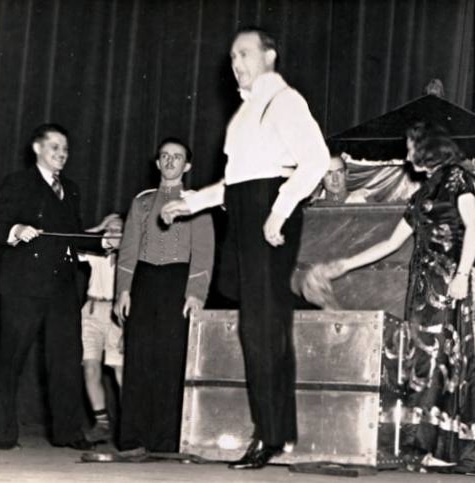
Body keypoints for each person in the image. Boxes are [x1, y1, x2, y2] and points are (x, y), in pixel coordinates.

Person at [160, 27, 329, 470]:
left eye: (245, 53)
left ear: (269, 56)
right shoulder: (245, 111)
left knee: (262, 326)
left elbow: (315, 160)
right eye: (233, 55)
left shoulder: (285, 101)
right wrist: (192, 202)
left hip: (268, 216)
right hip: (246, 210)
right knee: (262, 325)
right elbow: (236, 183)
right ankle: (278, 432)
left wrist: (278, 212)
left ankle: (270, 435)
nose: (236, 62)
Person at [313, 122, 475, 474]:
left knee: (442, 361)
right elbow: (390, 243)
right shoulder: (423, 193)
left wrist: (463, 275)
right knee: (423, 362)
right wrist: (341, 265)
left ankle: (450, 451)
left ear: (426, 147)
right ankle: (428, 447)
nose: (406, 155)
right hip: (422, 286)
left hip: (447, 280)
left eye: (410, 147)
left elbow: (474, 226)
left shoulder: (456, 178)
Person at [0, 123, 118, 450]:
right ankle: (2, 434)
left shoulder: (70, 189)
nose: (61, 154)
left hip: (61, 288)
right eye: (54, 147)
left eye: (65, 149)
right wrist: (17, 229)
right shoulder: (17, 183)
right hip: (23, 287)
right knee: (10, 359)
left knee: (64, 360)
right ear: (37, 149)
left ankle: (67, 433)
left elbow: (72, 235)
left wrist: (103, 242)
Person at [113, 137, 214, 454]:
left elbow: (204, 253)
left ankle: (166, 439)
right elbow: (128, 250)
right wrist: (123, 291)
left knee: (172, 359)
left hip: (177, 283)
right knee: (138, 357)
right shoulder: (141, 202)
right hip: (144, 281)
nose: (170, 161)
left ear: (188, 165)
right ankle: (132, 438)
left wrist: (196, 294)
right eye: (165, 156)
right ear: (157, 163)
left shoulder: (197, 202)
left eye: (178, 157)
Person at [78, 215, 125, 444]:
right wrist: (97, 228)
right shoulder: (97, 252)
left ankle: (129, 425)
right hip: (92, 309)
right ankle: (102, 424)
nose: (112, 231)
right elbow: (75, 241)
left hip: (117, 314)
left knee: (119, 369)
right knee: (90, 366)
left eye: (117, 228)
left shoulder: (129, 257)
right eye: (109, 228)